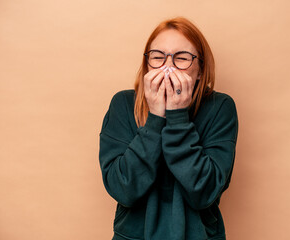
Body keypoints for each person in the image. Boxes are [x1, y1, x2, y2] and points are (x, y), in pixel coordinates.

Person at [99, 17, 239, 240]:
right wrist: (155, 118)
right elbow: (123, 188)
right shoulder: (123, 104)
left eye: (181, 58)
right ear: (147, 64)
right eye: (157, 57)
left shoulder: (220, 108)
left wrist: (177, 117)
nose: (168, 67)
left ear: (200, 70)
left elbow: (204, 192)